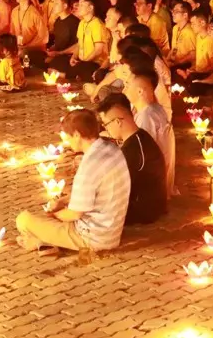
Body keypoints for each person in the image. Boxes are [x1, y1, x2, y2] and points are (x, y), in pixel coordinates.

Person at [16, 109, 131, 255]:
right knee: (48, 223)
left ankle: (42, 242)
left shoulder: (89, 165)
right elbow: (93, 194)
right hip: (112, 231)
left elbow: (74, 214)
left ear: (77, 135)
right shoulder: (111, 148)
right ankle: (46, 242)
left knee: (24, 220)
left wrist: (54, 215)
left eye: (68, 137)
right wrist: (64, 201)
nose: (68, 142)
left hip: (92, 238)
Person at [96, 93, 167, 225]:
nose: (106, 129)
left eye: (105, 124)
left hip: (142, 210)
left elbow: (115, 188)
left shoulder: (133, 150)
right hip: (150, 204)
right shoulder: (140, 136)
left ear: (117, 122)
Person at [124, 71, 176, 197]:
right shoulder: (155, 109)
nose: (124, 89)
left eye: (127, 85)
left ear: (140, 91)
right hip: (161, 179)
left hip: (153, 185)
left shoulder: (147, 116)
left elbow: (141, 155)